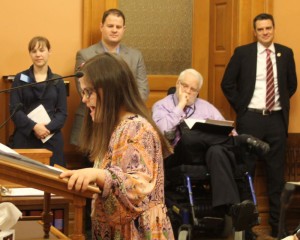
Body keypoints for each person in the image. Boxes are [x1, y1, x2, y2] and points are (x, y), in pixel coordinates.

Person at [60, 52, 174, 239]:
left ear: (110, 90)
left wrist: (99, 175)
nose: (83, 99)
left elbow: (138, 186)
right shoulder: (114, 127)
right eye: (83, 92)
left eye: (88, 92)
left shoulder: (137, 128)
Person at [152, 68, 270, 232]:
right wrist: (180, 106)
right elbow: (162, 130)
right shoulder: (162, 105)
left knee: (217, 151)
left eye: (193, 89)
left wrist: (231, 135)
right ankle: (242, 141)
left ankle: (232, 208)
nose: (188, 91)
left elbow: (229, 130)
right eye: (185, 86)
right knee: (187, 135)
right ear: (177, 84)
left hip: (205, 155)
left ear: (198, 92)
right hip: (178, 153)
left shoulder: (206, 107)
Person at [221, 13, 298, 238]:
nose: (265, 32)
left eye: (268, 28)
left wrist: (277, 104)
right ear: (255, 32)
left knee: (276, 176)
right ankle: (246, 229)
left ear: (274, 29)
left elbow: (291, 85)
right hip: (250, 119)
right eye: (261, 29)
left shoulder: (286, 53)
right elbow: (227, 83)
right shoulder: (243, 53)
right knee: (247, 173)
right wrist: (242, 107)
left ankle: (278, 226)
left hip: (276, 120)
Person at [70, 8, 149, 146]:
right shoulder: (85, 55)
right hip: (93, 125)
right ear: (101, 27)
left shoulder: (135, 56)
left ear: (124, 29)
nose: (114, 30)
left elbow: (142, 90)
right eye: (110, 26)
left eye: (118, 27)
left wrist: (120, 110)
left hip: (125, 125)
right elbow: (83, 90)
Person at [9, 36, 67, 167]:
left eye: (42, 50)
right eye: (34, 51)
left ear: (49, 51)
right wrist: (35, 127)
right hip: (26, 136)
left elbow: (62, 113)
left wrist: (46, 129)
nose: (38, 54)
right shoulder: (21, 78)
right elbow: (15, 110)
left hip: (50, 137)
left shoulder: (58, 80)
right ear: (30, 54)